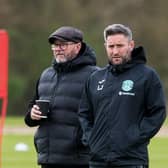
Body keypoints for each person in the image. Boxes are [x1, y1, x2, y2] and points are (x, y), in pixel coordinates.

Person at [78, 24, 166, 168]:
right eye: (111, 46)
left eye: (120, 46)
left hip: (132, 160)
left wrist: (134, 137)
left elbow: (157, 112)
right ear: (105, 46)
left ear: (131, 45)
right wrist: (91, 138)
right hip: (98, 161)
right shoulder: (95, 78)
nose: (115, 51)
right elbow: (84, 113)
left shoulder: (147, 76)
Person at [24, 26, 99, 168]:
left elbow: (104, 116)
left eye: (63, 45)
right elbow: (29, 116)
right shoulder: (46, 74)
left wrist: (85, 142)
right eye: (55, 45)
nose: (57, 48)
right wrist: (32, 115)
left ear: (78, 47)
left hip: (80, 160)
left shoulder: (95, 76)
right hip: (48, 159)